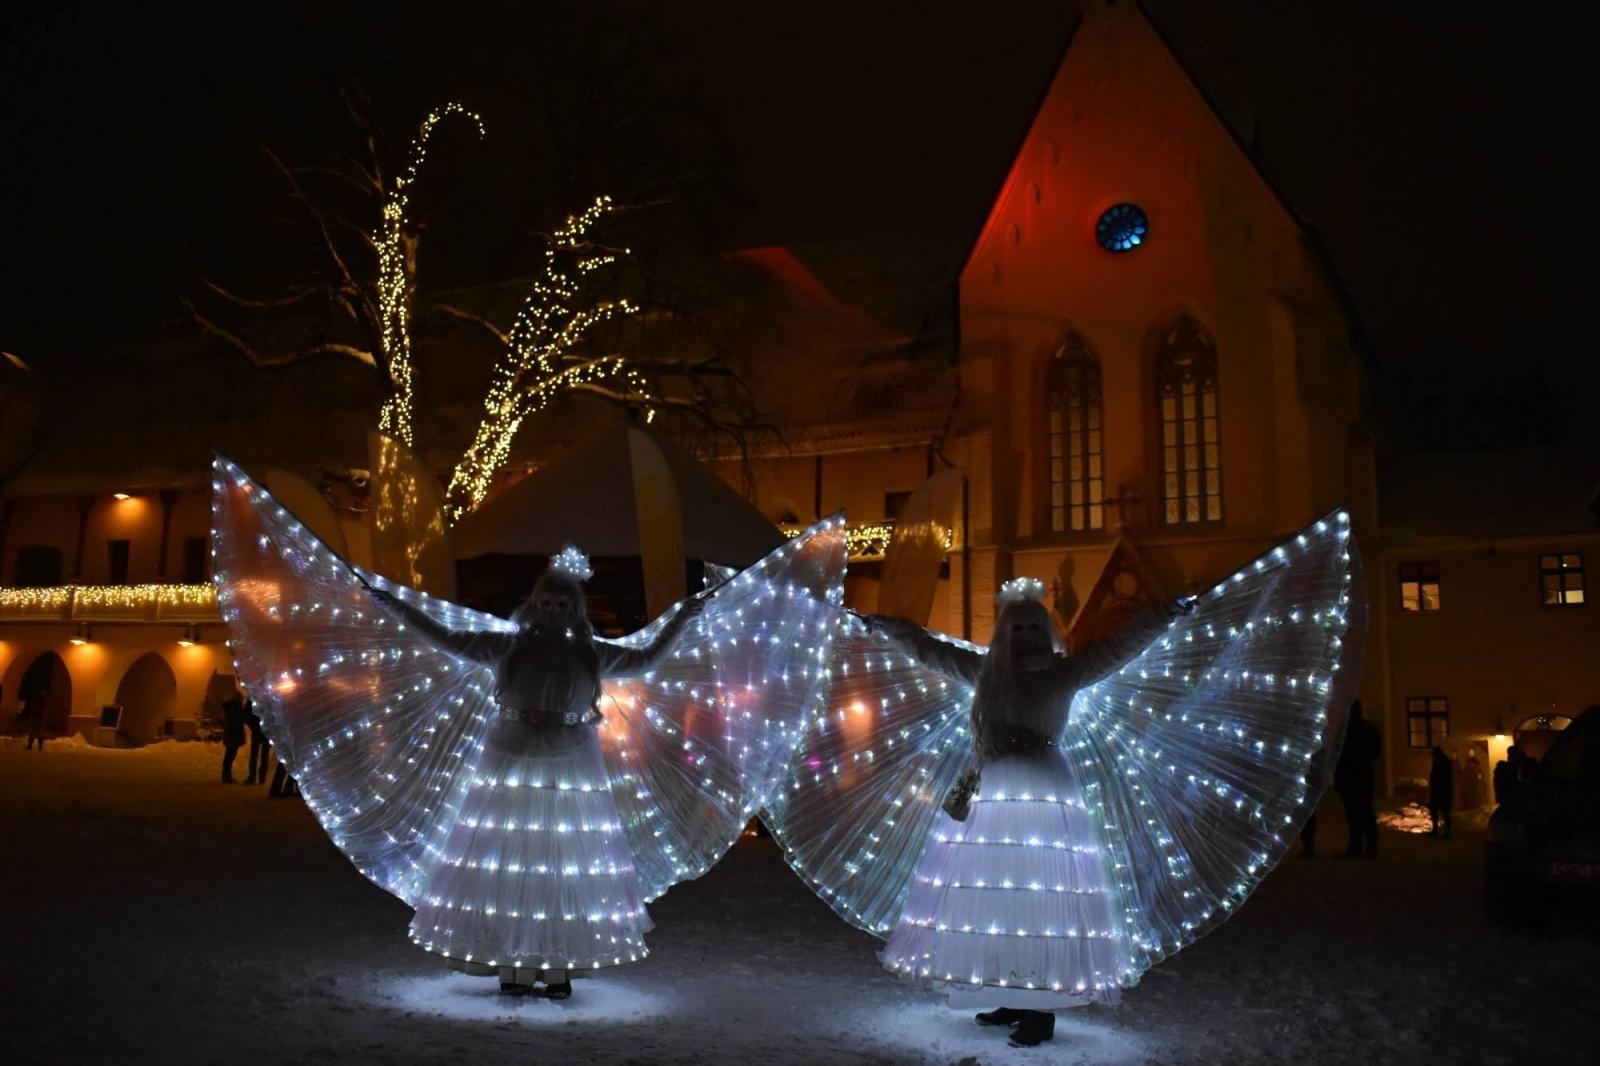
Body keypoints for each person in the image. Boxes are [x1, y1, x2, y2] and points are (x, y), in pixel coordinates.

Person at [1335, 699, 1381, 858]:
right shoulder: (1369, 729)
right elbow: (1376, 752)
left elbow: (1338, 756)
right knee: (1365, 812)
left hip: (1350, 777)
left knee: (1354, 814)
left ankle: (1357, 847)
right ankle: (1370, 848)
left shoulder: (1345, 730)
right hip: (1363, 776)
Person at [220, 692, 248, 783]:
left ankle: (226, 775)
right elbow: (236, 721)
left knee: (229, 756)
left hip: (232, 735)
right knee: (230, 756)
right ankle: (226, 776)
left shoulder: (230, 708)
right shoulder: (234, 709)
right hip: (233, 736)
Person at [243, 698, 271, 786]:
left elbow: (246, 715)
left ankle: (253, 777)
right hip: (266, 730)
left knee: (255, 754)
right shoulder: (269, 698)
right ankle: (260, 778)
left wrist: (252, 725)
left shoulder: (253, 698)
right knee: (263, 755)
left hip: (258, 730)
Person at [1428, 746, 1454, 839]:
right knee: (1437, 811)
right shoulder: (1441, 763)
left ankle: (1446, 832)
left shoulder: (1442, 764)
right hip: (1440, 791)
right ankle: (1438, 831)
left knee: (1444, 811)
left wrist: (1437, 788)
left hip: (1442, 791)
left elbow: (1442, 779)